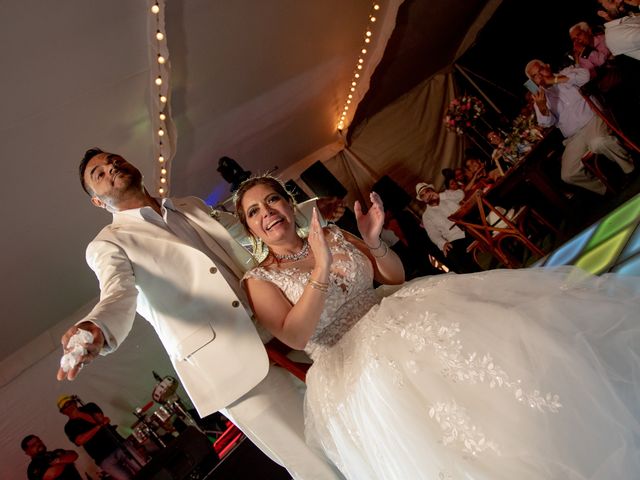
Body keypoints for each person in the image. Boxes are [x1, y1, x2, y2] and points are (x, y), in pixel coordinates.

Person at [234, 173, 640, 480]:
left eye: (273, 200)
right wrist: (321, 266)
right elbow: (294, 335)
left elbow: (390, 278)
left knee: (502, 372)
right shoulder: (259, 280)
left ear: (289, 204)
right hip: (351, 363)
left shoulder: (333, 235)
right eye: (255, 211)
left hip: (394, 312)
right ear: (250, 229)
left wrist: (375, 243)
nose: (267, 212)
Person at [55, 148, 343, 480]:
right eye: (99, 174)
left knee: (342, 430)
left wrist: (307, 213)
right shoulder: (108, 244)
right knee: (314, 461)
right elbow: (118, 291)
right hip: (232, 367)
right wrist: (96, 327)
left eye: (115, 161)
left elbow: (245, 231)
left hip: (281, 327)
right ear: (97, 201)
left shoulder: (189, 205)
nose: (111, 168)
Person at [525, 59, 634, 194]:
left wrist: (554, 80)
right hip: (574, 136)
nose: (540, 76)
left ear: (547, 66)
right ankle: (606, 187)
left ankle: (630, 169)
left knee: (598, 143)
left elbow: (585, 76)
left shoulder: (567, 72)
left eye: (540, 70)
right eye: (535, 76)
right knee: (568, 174)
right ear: (533, 82)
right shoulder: (540, 98)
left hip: (593, 120)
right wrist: (542, 108)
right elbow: (547, 123)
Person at [57, 395, 140, 479]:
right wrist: (98, 427)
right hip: (103, 458)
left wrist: (80, 414)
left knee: (141, 467)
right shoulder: (69, 427)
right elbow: (79, 441)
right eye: (65, 407)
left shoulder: (89, 407)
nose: (69, 407)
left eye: (70, 403)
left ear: (75, 403)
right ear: (63, 412)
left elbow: (100, 420)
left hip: (118, 444)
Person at [415, 182, 478, 273]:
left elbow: (461, 194)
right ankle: (477, 277)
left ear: (433, 191)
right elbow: (433, 234)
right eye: (423, 195)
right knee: (454, 256)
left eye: (428, 191)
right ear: (422, 200)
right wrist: (442, 243)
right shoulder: (426, 216)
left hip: (470, 228)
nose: (427, 195)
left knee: (479, 223)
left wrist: (440, 195)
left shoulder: (447, 198)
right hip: (455, 238)